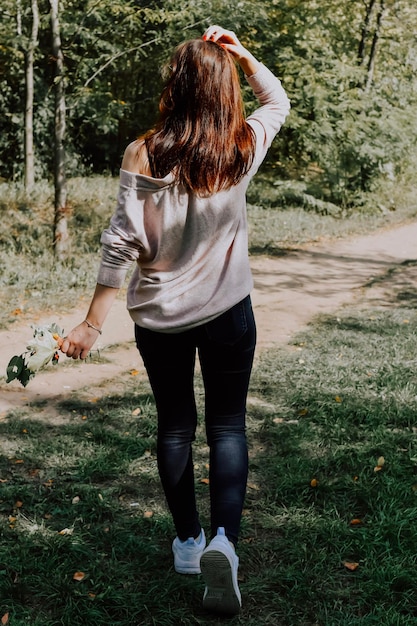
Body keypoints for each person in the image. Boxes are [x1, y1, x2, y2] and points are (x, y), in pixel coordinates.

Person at [60, 25, 290, 615]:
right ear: (221, 88)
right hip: (227, 312)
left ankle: (189, 541)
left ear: (176, 86)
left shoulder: (144, 151)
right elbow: (278, 101)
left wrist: (91, 323)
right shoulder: (241, 145)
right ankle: (225, 545)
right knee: (228, 428)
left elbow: (120, 241)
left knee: (174, 427)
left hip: (160, 319)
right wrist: (242, 55)